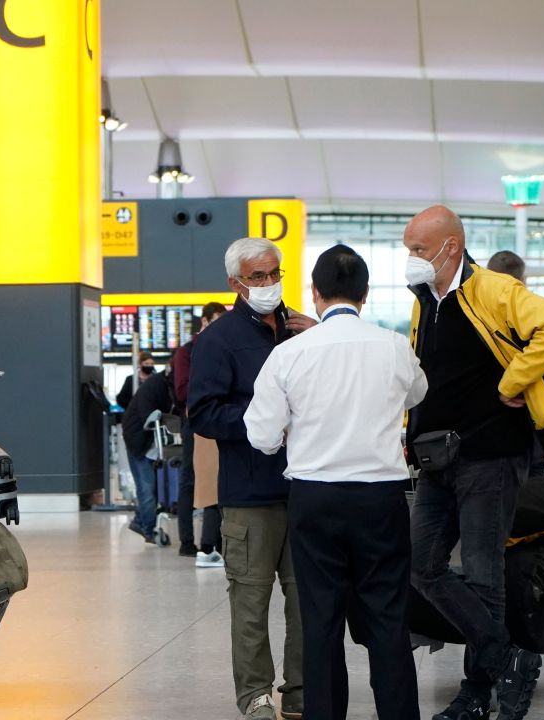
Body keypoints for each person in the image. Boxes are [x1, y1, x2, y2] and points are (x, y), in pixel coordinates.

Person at [403, 206, 544, 720]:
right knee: (421, 564)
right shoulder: (424, 302)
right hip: (439, 458)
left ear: (450, 247)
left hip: (491, 456)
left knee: (484, 576)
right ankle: (508, 657)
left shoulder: (493, 290)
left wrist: (511, 383)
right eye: (409, 248)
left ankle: (476, 692)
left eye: (418, 248)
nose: (411, 258)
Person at [246, 245, 428, 720]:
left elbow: (260, 435)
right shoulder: (392, 346)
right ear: (365, 295)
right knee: (388, 619)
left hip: (315, 498)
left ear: (315, 293)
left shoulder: (290, 353)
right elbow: (418, 393)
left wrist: (293, 431)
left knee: (320, 621)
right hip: (381, 498)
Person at [189, 236, 316, 720]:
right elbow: (202, 414)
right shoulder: (218, 341)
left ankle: (302, 694)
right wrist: (263, 419)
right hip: (248, 493)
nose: (268, 285)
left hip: (305, 486)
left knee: (307, 600)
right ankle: (255, 695)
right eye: (257, 277)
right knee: (250, 600)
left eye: (274, 274)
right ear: (235, 283)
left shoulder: (302, 329)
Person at [172, 301, 228, 565]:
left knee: (213, 480)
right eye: (215, 320)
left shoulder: (222, 348)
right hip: (193, 422)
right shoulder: (187, 352)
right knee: (190, 480)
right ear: (204, 322)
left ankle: (212, 541)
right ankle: (187, 541)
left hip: (216, 421)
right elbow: (183, 392)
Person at [120, 363, 174, 543]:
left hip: (149, 442)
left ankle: (140, 521)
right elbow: (147, 417)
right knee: (147, 487)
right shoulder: (154, 387)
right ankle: (149, 529)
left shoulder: (165, 385)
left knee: (152, 487)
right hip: (138, 441)